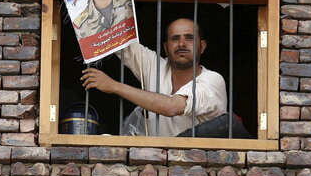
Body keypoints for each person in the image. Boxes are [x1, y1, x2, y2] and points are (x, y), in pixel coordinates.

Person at [80, 18, 227, 137]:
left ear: (202, 47)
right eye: (175, 39)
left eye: (189, 38)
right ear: (166, 48)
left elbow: (172, 107)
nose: (181, 44)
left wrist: (115, 86)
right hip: (158, 165)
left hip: (201, 166)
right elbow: (120, 41)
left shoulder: (213, 80)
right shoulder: (157, 68)